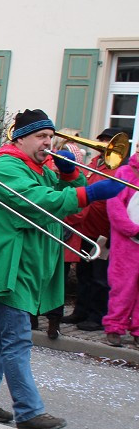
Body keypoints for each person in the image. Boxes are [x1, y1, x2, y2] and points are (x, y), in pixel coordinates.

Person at [0, 109, 126, 429]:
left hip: (29, 264)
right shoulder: (6, 165)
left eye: (50, 136)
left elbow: (68, 200)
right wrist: (85, 192)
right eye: (41, 137)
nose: (48, 142)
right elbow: (38, 201)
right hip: (9, 266)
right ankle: (29, 412)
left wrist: (73, 176)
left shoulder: (40, 165)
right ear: (20, 139)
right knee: (17, 339)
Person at [61, 127, 129, 331]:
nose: (105, 145)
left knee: (100, 276)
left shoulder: (120, 170)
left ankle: (97, 315)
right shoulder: (94, 164)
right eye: (104, 141)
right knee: (84, 272)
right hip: (86, 228)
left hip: (104, 231)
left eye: (109, 142)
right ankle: (80, 311)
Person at [104, 148, 139, 346]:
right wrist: (132, 229)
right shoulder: (124, 173)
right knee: (122, 286)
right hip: (126, 242)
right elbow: (115, 206)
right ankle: (114, 326)